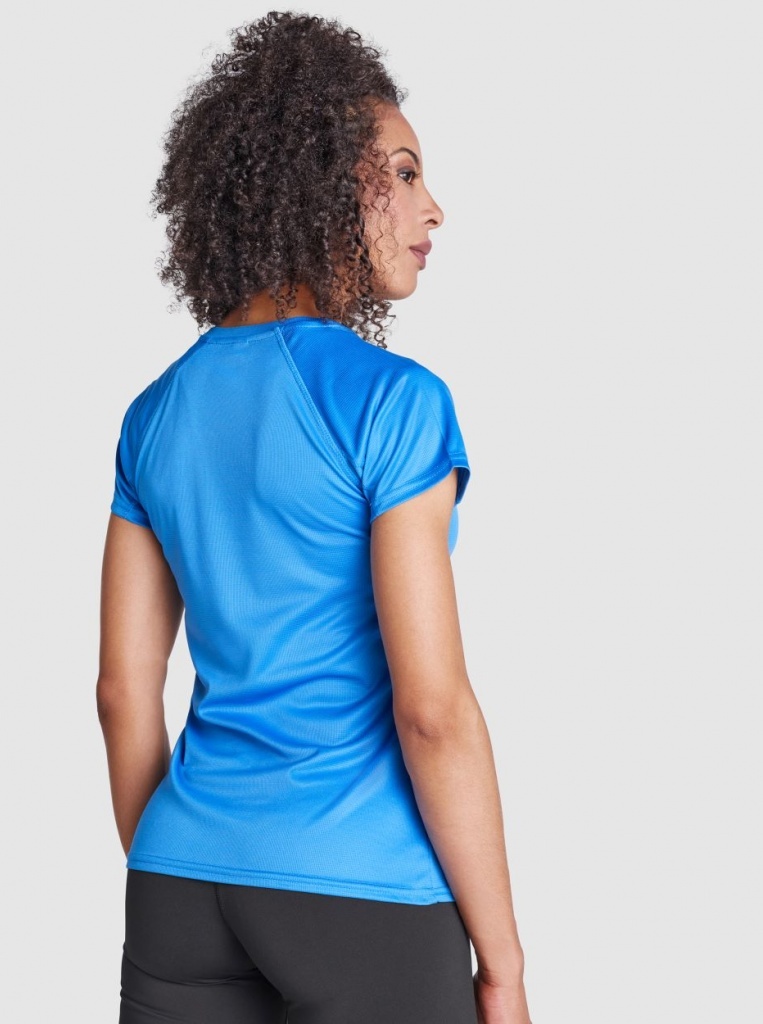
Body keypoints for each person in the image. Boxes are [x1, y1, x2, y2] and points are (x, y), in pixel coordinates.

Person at [97, 11, 532, 1024]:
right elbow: (432, 711)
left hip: (178, 885)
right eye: (405, 174)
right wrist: (503, 964)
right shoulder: (392, 401)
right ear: (329, 185)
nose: (434, 208)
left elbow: (122, 692)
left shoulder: (154, 415)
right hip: (361, 888)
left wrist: (180, 861)